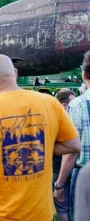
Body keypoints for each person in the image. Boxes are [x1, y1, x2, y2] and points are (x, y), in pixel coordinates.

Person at [0, 54, 81, 221]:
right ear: (16, 73)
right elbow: (74, 145)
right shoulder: (50, 103)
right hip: (40, 212)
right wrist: (40, 145)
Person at [54, 51, 90, 221]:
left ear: (84, 75)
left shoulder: (78, 105)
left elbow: (71, 151)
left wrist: (59, 184)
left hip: (85, 177)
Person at [53, 88, 76, 221]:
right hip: (58, 169)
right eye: (73, 102)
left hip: (66, 167)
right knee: (62, 206)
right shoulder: (59, 122)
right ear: (64, 105)